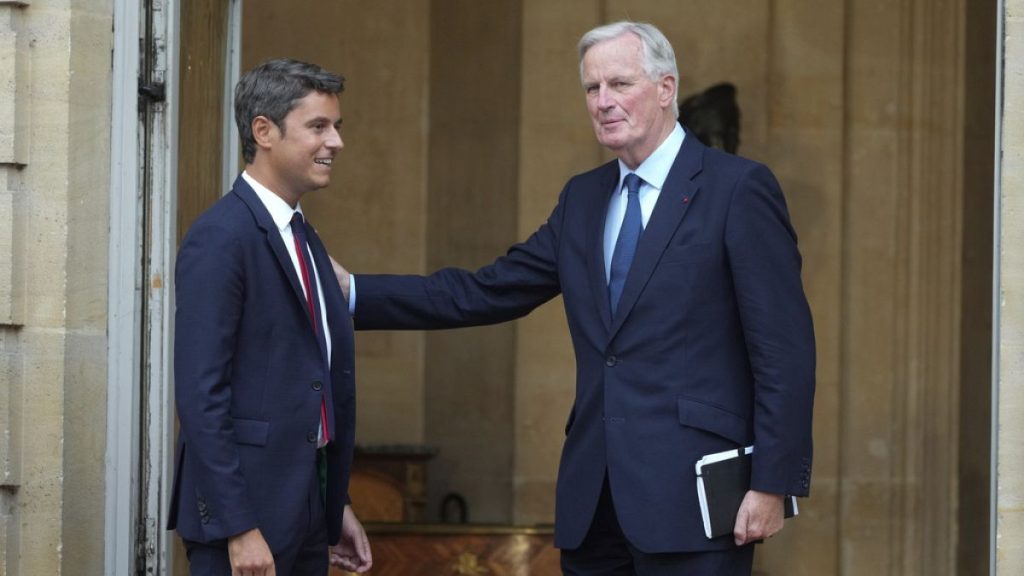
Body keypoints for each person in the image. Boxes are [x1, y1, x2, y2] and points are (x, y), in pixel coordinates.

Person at [336, 21, 814, 575]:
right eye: (592, 89)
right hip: (594, 502)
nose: (604, 102)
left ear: (665, 88)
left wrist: (772, 485)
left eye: (619, 84)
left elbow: (785, 351)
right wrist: (353, 294)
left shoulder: (737, 189)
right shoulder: (584, 198)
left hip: (698, 504)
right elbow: (488, 290)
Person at [168, 58, 373, 575]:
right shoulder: (221, 237)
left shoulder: (303, 236)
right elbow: (200, 395)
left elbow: (308, 380)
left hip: (304, 512)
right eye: (318, 127)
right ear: (264, 131)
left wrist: (335, 502)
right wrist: (238, 527)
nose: (336, 143)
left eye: (337, 127)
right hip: (246, 525)